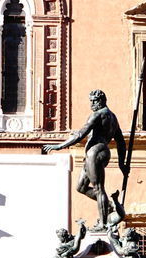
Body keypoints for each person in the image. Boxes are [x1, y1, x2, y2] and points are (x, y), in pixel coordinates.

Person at [42, 90, 127, 230]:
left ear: (102, 100)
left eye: (94, 101)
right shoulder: (113, 117)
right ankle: (109, 204)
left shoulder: (98, 115)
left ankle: (103, 223)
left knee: (98, 189)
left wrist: (59, 146)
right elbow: (121, 142)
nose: (92, 104)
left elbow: (81, 133)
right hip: (96, 153)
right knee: (80, 187)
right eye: (91, 101)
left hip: (96, 152)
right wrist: (121, 164)